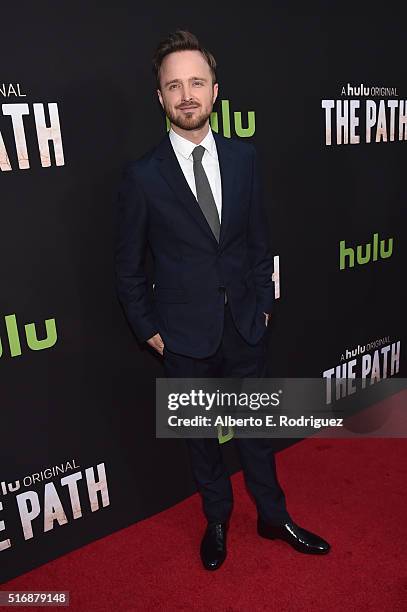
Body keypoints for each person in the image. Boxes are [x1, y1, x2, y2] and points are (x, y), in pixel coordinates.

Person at [115, 29, 330, 570]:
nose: (186, 95)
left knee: (258, 430)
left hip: (245, 325)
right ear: (160, 98)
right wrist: (148, 329)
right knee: (201, 441)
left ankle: (272, 515)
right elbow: (127, 267)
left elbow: (260, 242)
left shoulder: (245, 159)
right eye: (174, 86)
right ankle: (217, 518)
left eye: (196, 82)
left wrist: (261, 304)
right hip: (182, 337)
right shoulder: (142, 176)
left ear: (215, 91)